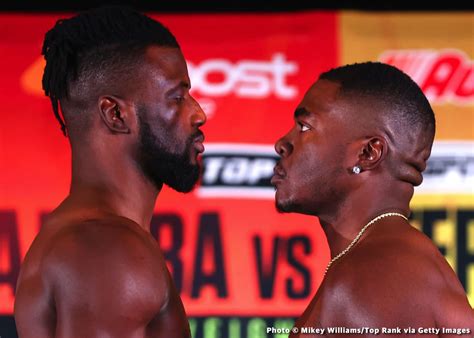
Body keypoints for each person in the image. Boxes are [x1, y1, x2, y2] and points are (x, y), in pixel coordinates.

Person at [14, 6, 206, 338]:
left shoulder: (90, 239)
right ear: (115, 114)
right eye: (177, 97)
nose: (198, 113)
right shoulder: (106, 248)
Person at [271, 62, 473, 336]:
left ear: (367, 153)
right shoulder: (393, 262)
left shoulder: (371, 277)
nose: (282, 143)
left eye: (304, 126)